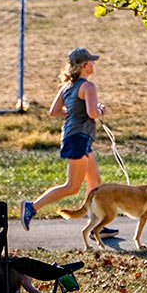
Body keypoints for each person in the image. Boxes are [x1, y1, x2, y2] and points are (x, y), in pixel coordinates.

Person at [21, 48, 107, 229]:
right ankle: (31, 207)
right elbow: (92, 113)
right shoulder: (88, 87)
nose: (93, 64)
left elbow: (54, 111)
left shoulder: (67, 87)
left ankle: (96, 224)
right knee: (72, 187)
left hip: (75, 138)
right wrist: (100, 110)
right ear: (84, 66)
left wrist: (76, 112)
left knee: (95, 182)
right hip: (79, 139)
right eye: (90, 61)